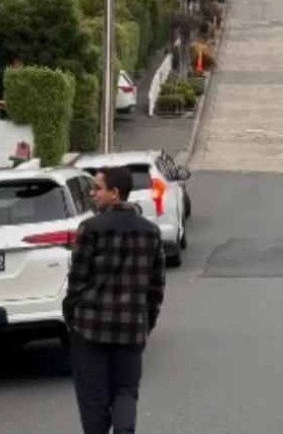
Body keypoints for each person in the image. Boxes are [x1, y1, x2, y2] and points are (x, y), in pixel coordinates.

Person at [64, 166, 165, 434]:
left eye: (98, 188)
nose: (92, 193)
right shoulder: (150, 232)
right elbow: (156, 288)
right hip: (131, 329)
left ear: (115, 193)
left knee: (93, 398)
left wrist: (72, 317)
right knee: (126, 391)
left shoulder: (91, 229)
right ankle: (124, 429)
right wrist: (146, 323)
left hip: (91, 330)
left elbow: (77, 281)